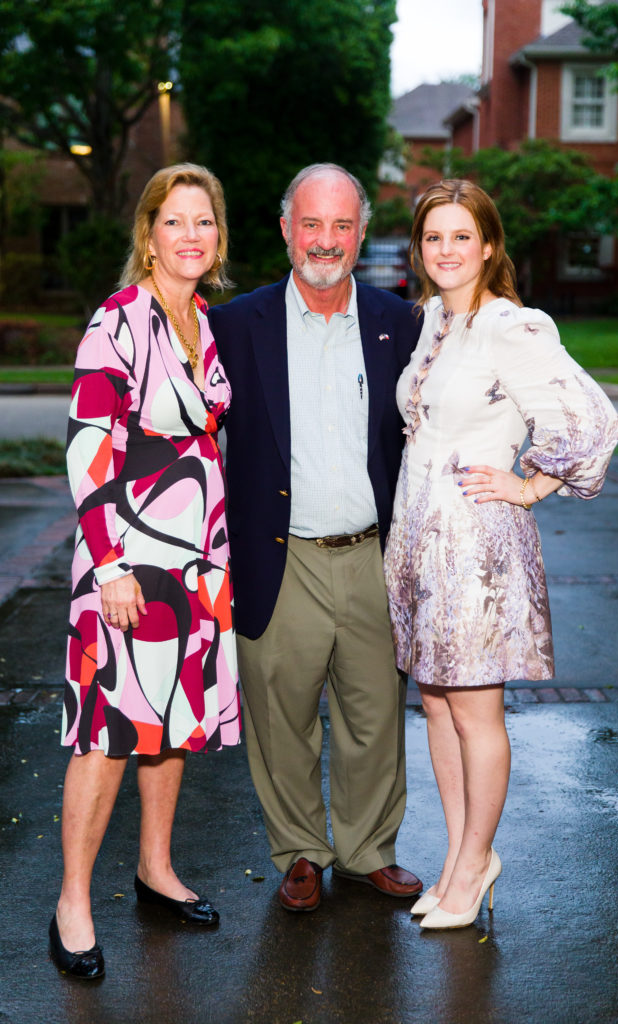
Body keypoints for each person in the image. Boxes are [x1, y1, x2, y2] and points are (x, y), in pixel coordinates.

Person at [383, 179, 618, 930]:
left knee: (476, 712)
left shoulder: (510, 327)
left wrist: (530, 486)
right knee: (437, 707)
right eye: (432, 238)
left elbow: (591, 420)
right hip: (419, 544)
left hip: (476, 546)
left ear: (488, 245)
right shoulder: (431, 322)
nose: (445, 250)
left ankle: (477, 861)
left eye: (460, 237)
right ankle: (461, 862)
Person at [209, 163, 423, 912]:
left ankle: (367, 852)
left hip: (371, 552)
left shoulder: (402, 323)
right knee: (282, 715)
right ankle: (300, 851)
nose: (324, 241)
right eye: (311, 224)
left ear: (360, 234)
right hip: (280, 555)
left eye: (340, 225)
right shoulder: (234, 325)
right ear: (284, 230)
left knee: (373, 715)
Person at [50, 163, 240, 978]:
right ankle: (72, 904)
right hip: (127, 558)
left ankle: (156, 869)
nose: (190, 235)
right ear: (149, 232)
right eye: (175, 221)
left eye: (204, 221)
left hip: (197, 560)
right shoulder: (118, 322)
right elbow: (88, 448)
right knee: (108, 732)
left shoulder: (204, 319)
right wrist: (110, 564)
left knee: (172, 722)